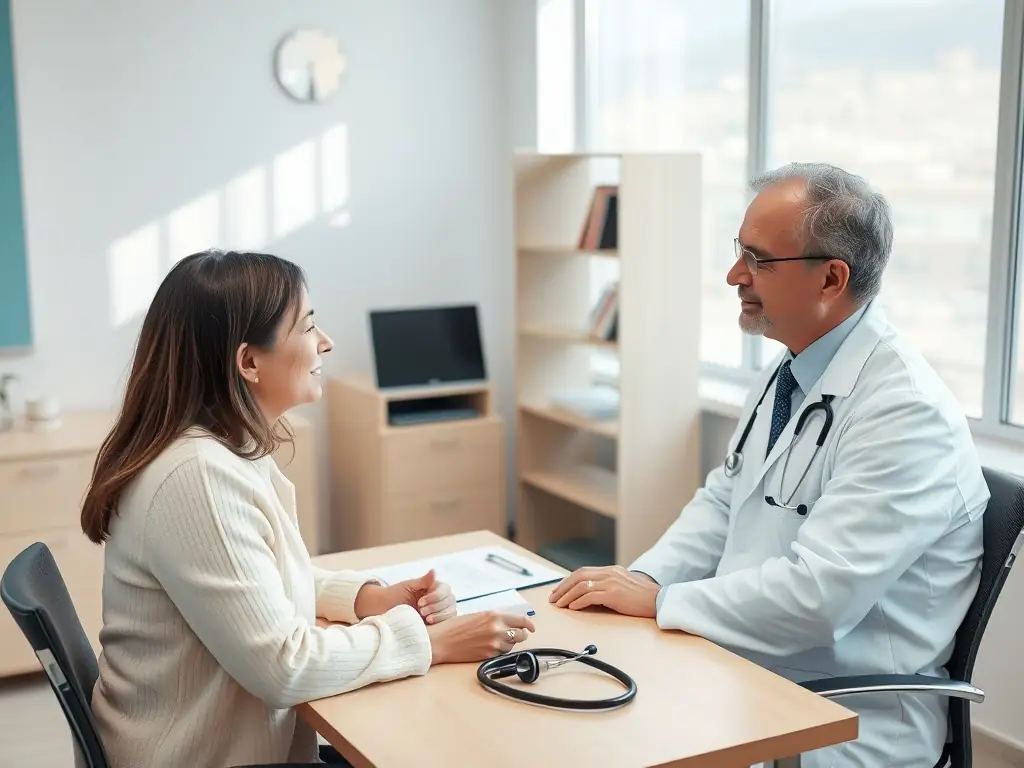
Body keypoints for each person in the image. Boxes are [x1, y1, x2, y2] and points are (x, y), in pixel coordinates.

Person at [548, 163, 988, 767]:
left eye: (758, 260)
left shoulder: (906, 413)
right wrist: (646, 581)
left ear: (832, 278)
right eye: (739, 252)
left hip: (842, 713)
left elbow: (819, 598)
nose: (734, 275)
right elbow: (723, 500)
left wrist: (659, 603)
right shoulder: (794, 368)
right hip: (741, 665)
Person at [80, 249, 535, 768]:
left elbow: (258, 579)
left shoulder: (224, 451)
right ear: (249, 361)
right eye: (307, 327)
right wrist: (429, 641)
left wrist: (370, 599)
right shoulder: (198, 477)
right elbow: (283, 668)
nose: (326, 342)